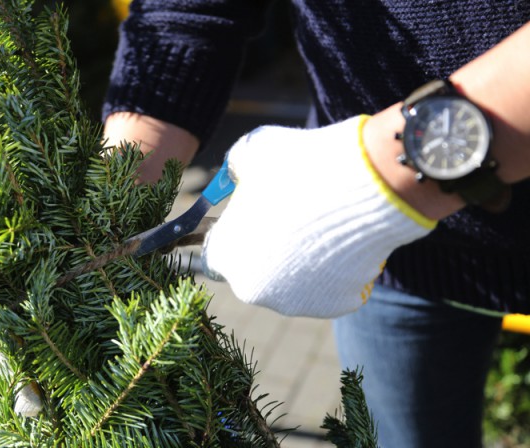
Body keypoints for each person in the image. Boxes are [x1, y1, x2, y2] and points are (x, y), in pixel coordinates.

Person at [102, 1, 530, 447]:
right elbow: (185, 14)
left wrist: (375, 179)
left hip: (360, 221)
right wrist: (113, 193)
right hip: (387, 263)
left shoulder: (353, 203)